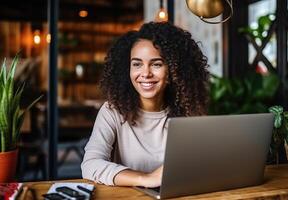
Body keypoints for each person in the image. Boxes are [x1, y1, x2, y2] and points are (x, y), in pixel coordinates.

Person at [81, 21, 209, 187]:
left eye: (156, 64)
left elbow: (201, 164)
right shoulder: (112, 111)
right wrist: (147, 179)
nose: (145, 73)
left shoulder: (189, 111)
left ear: (173, 70)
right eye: (137, 64)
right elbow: (90, 165)